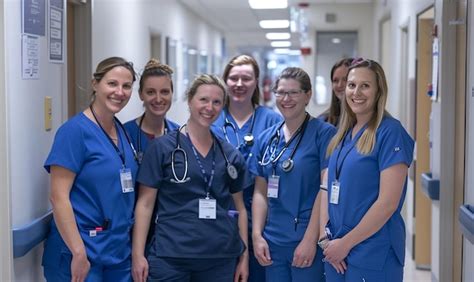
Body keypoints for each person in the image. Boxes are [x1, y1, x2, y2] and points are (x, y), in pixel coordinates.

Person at [132, 74, 251, 282]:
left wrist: (244, 257)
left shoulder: (229, 154)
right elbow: (145, 204)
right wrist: (137, 255)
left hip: (219, 258)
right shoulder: (163, 148)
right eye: (203, 99)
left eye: (216, 102)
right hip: (170, 257)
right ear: (189, 100)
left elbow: (240, 208)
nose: (209, 107)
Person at [43, 57, 138, 281]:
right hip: (80, 252)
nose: (120, 92)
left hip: (116, 252)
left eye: (127, 86)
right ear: (95, 84)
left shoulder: (121, 131)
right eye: (112, 83)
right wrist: (78, 252)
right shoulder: (74, 132)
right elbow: (58, 197)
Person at [319, 58, 414, 281]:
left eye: (365, 85)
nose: (356, 92)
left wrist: (346, 244)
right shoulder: (343, 134)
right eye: (352, 85)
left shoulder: (390, 132)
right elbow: (326, 188)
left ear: (379, 90)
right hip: (335, 250)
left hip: (372, 251)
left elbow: (388, 203)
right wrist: (325, 239)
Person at [250, 67, 336, 282]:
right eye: (280, 92)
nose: (286, 99)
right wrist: (257, 235)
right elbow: (260, 191)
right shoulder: (266, 138)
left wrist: (310, 240)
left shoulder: (324, 134)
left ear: (308, 95)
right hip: (272, 242)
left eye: (293, 93)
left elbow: (324, 190)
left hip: (306, 241)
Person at [211, 54, 282, 282]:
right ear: (225, 81)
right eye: (233, 78)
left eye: (246, 78)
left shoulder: (272, 121)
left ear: (257, 82)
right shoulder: (212, 118)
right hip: (218, 217)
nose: (239, 84)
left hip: (261, 217)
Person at [124, 58, 179, 164]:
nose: (158, 99)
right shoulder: (125, 134)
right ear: (141, 94)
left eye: (164, 92)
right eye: (151, 92)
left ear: (172, 93)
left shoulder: (179, 134)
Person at [317, 58, 354, 127]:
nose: (340, 85)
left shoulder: (364, 120)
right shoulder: (323, 120)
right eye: (335, 81)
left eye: (345, 79)